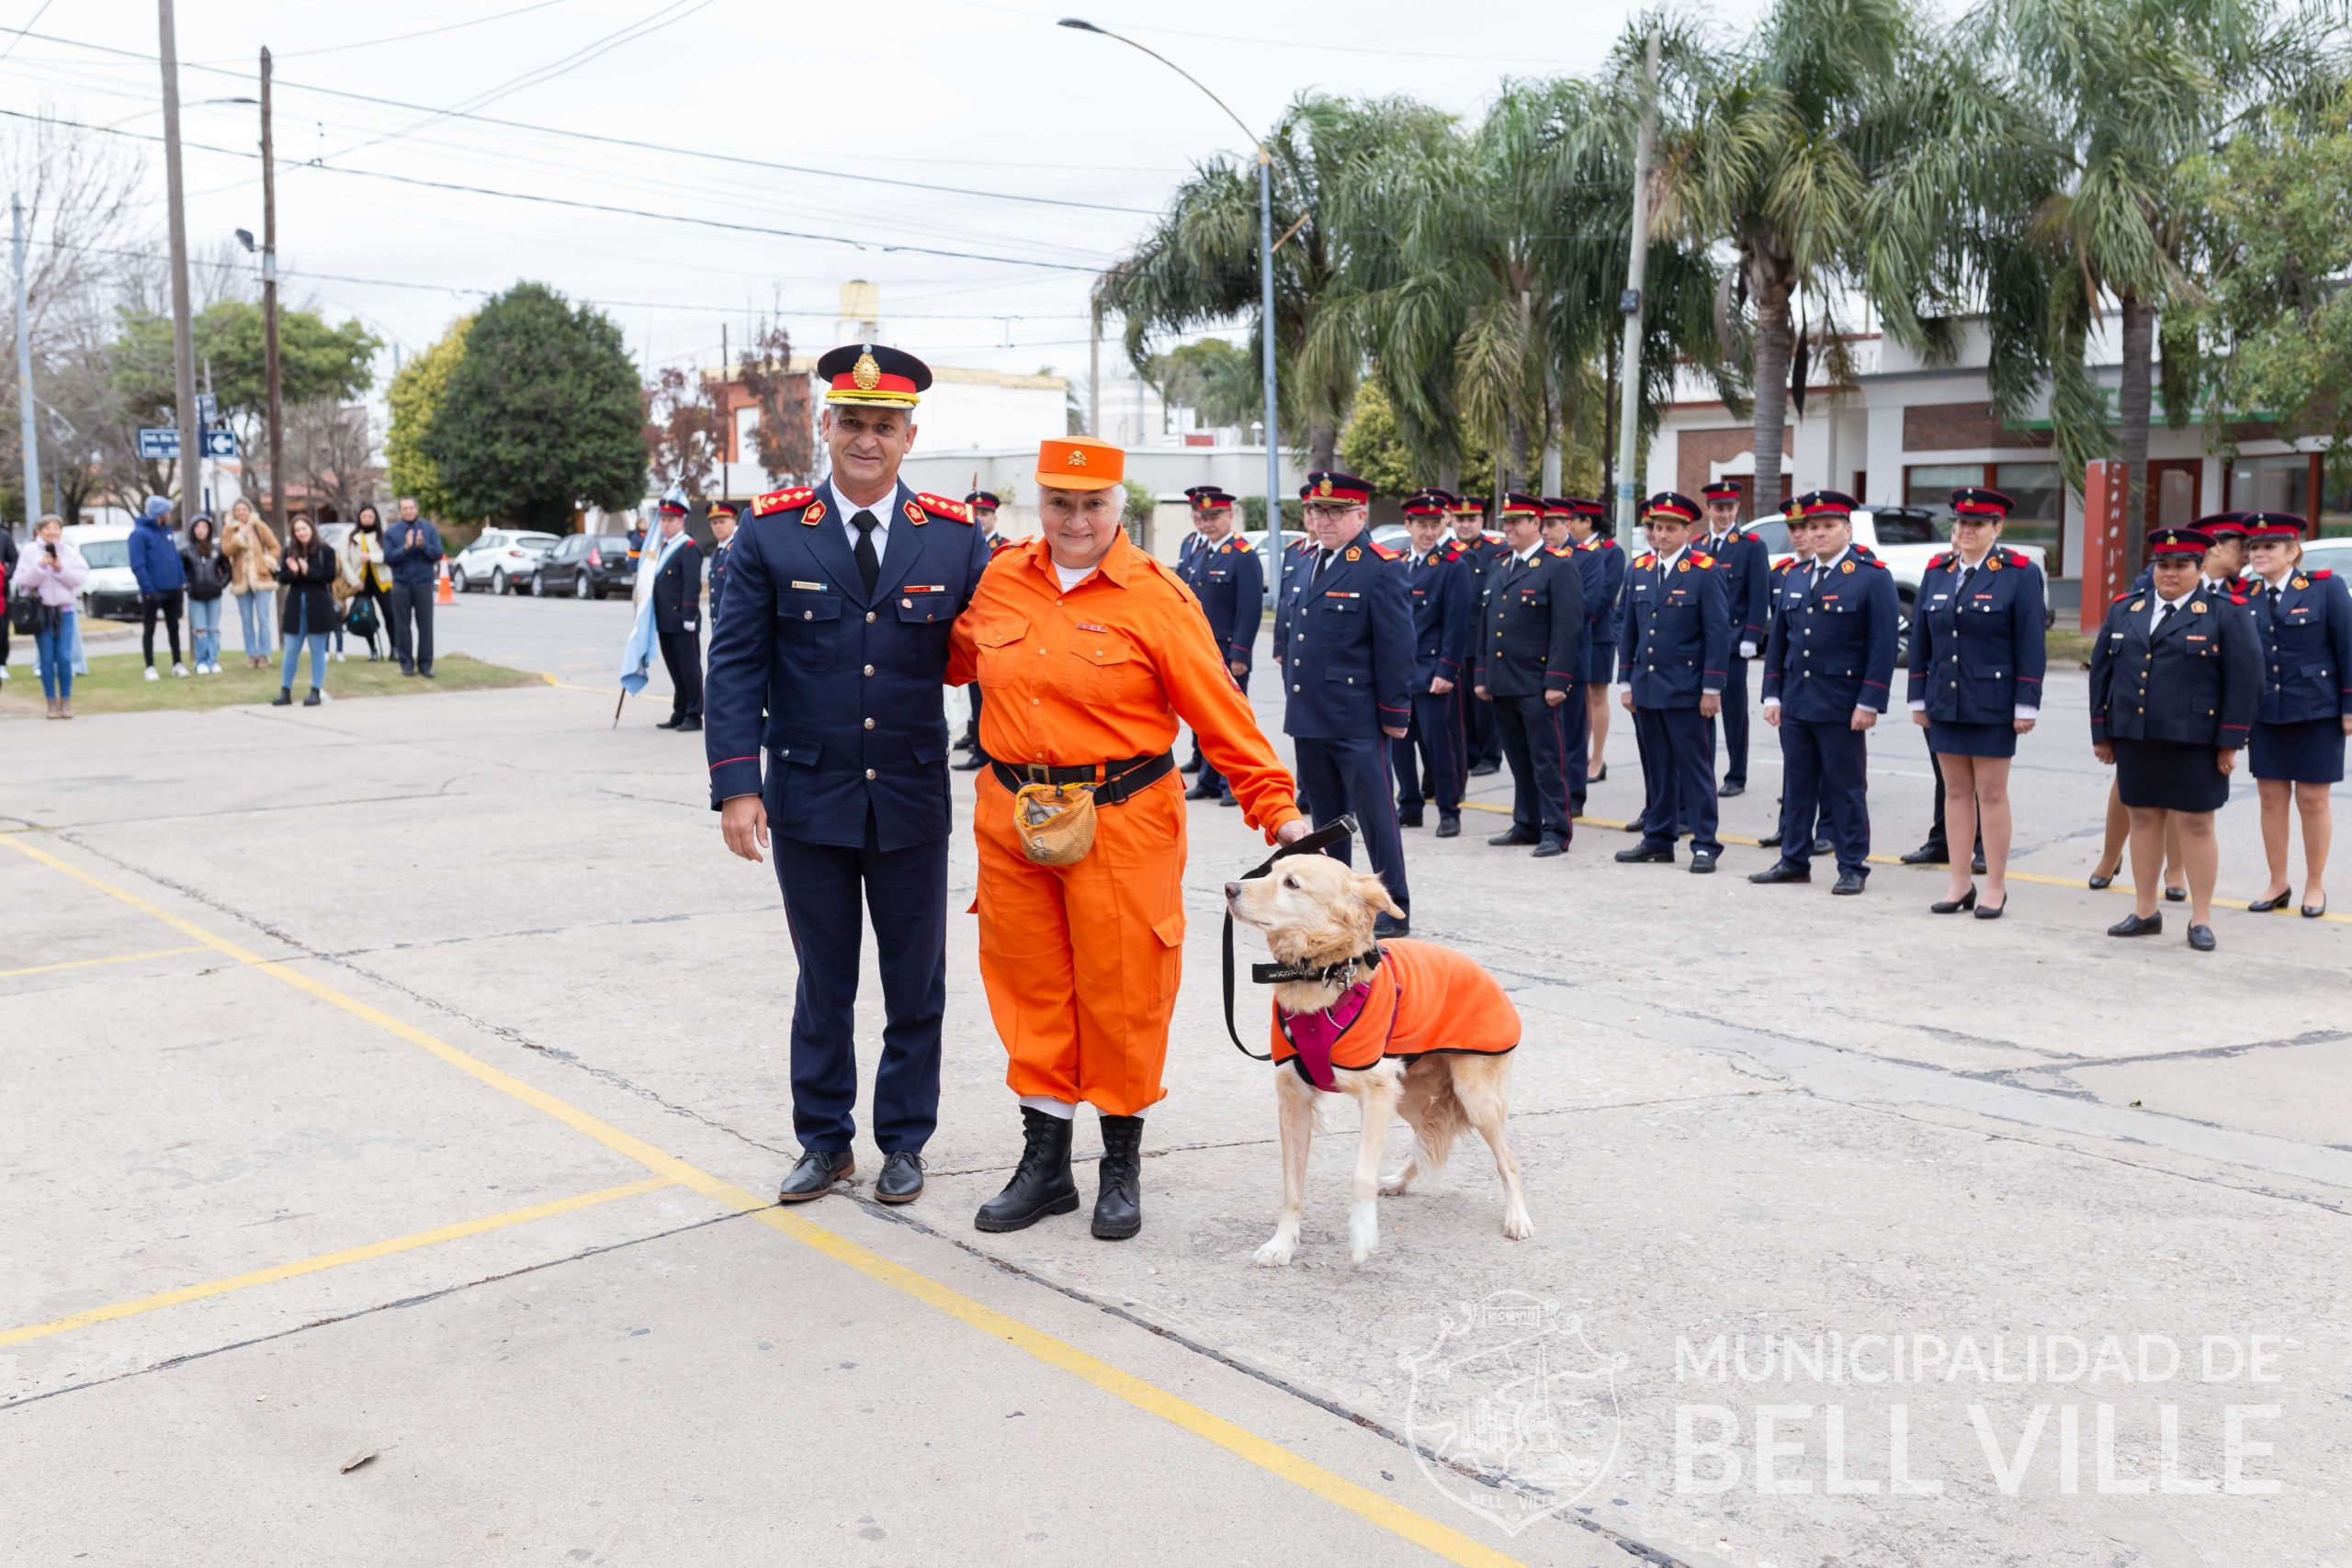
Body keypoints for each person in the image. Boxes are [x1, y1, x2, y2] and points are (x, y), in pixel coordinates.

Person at [948, 434, 1307, 1240]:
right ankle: (1046, 1165)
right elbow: (947, 655)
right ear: (1039, 502)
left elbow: (1221, 712)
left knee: (1123, 990)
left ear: (1120, 506)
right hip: (1014, 820)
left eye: (1093, 504)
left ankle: (1120, 1162)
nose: (1075, 519)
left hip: (1122, 819)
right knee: (1030, 986)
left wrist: (1276, 809)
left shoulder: (1157, 596)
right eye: (1060, 503)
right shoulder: (1002, 578)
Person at [707, 344, 991, 1209]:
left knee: (916, 982)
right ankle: (825, 1141)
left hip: (910, 794)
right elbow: (735, 666)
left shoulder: (954, 539)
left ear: (910, 438)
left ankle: (904, 1141)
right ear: (826, 427)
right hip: (808, 795)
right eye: (854, 423)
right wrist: (737, 785)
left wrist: (1022, 772)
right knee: (823, 982)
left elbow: (997, 661)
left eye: (885, 426)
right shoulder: (770, 531)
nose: (868, 440)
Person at [2090, 526, 2261, 951]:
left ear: (2199, 567)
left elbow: (2246, 681)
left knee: (2196, 825)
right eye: (2162, 564)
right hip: (2136, 735)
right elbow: (2102, 673)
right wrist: (2102, 732)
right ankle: (2145, 910)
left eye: (2180, 565)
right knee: (2144, 820)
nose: (2169, 573)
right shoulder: (2127, 608)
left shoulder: (2225, 612)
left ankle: (2201, 918)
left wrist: (2230, 742)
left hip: (2195, 740)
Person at [1281, 469, 1415, 933]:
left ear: (1360, 514)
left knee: (1377, 819)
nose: (1324, 520)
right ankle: (1334, 904)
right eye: (1318, 511)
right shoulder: (1304, 559)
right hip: (1311, 715)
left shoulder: (1380, 566)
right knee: (1327, 822)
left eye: (1335, 512)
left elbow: (1397, 647)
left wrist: (1395, 713)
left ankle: (1392, 908)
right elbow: (1296, 634)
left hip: (1357, 718)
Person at [1905, 487, 2047, 918]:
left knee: (1991, 793)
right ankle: (1959, 881)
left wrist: (2026, 704)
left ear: (1997, 528)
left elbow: (2030, 643)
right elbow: (1921, 640)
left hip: (1992, 702)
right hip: (1945, 698)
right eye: (1961, 522)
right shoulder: (1938, 571)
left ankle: (1995, 886)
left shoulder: (2018, 573)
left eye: (1978, 523)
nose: (1966, 529)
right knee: (1955, 792)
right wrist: (1918, 696)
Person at [1752, 490, 1899, 895]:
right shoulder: (1795, 575)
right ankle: (1793, 860)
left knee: (1846, 788)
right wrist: (1772, 695)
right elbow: (1779, 641)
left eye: (1828, 526)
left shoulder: (1871, 576)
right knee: (1796, 786)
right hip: (1797, 699)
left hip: (1842, 702)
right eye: (1812, 526)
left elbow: (1883, 646)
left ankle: (1852, 866)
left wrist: (1869, 701)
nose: (1818, 533)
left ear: (1847, 530)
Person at [2240, 513, 2351, 918]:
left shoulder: (2325, 588)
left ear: (2292, 552)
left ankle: (2315, 883)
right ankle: (2278, 882)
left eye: (2269, 546)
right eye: (2254, 547)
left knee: (2312, 800)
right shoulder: (2245, 595)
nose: (2259, 553)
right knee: (2271, 799)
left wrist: (2349, 707)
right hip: (2265, 712)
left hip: (2316, 710)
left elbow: (2347, 648)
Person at [1614, 491, 1731, 873]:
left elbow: (1717, 634)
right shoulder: (1640, 569)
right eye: (1656, 528)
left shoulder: (1704, 571)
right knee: (1657, 768)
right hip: (1648, 687)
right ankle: (1658, 838)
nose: (1660, 535)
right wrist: (1626, 681)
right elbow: (1629, 630)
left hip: (1686, 689)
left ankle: (1705, 843)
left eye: (1669, 528)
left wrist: (1712, 688)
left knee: (1695, 769)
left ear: (1687, 531)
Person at [1474, 491, 1584, 857]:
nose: (1508, 528)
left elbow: (1567, 628)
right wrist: (1482, 674)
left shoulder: (1557, 566)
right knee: (1518, 759)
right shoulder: (1500, 565)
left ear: (1536, 523)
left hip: (1537, 683)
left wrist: (1557, 679)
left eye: (1516, 522)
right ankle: (1526, 822)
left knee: (1547, 759)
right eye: (1505, 522)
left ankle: (1556, 828)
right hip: (1503, 681)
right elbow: (1487, 625)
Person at [1392, 491, 1473, 837]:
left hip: (1432, 671)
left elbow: (1457, 624)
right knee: (1399, 744)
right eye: (1422, 525)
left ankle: (1448, 809)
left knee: (1441, 746)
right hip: (1399, 673)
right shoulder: (1397, 562)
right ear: (1408, 525)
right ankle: (1410, 805)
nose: (1429, 532)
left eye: (1434, 525)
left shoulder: (1453, 565)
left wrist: (1447, 669)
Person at [1177, 487, 1260, 807]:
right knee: (1204, 717)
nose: (1208, 522)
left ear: (1230, 516)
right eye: (1204, 516)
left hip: (1227, 652)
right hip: (1200, 649)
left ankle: (1232, 783)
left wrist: (1241, 653)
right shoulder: (1201, 551)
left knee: (1230, 721)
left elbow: (1250, 610)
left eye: (1215, 516)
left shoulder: (1242, 554)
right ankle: (1209, 780)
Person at [1695, 481, 1770, 796]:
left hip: (1734, 641)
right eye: (1719, 508)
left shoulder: (1751, 545)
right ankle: (1704, 771)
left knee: (1734, 711)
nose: (1724, 514)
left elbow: (1759, 594)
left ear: (1737, 509)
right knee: (1701, 709)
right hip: (1700, 644)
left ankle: (1736, 775)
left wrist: (1752, 636)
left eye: (1730, 508)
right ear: (1708, 510)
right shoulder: (1698, 546)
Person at [1541, 499, 1605, 817]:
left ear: (1568, 525)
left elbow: (1587, 605)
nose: (1546, 531)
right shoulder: (1538, 558)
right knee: (1545, 739)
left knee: (1572, 736)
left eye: (1552, 525)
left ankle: (1573, 798)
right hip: (1537, 659)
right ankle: (1548, 799)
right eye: (1542, 525)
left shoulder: (1587, 558)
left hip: (1572, 660)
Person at [1560, 498, 1623, 784]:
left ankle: (1597, 759)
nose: (1568, 525)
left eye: (1572, 520)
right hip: (1576, 633)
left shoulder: (1610, 551)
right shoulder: (1570, 551)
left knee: (1597, 696)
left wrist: (1580, 622)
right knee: (1580, 696)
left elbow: (1604, 594)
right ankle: (1579, 756)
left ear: (1588, 522)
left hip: (1598, 634)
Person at [952, 490, 1014, 771]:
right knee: (971, 694)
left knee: (989, 695)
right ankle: (976, 740)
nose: (980, 518)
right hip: (968, 630)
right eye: (975, 513)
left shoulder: (1007, 548)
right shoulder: (958, 546)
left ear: (995, 517)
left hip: (996, 632)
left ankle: (985, 749)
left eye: (985, 513)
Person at [1450, 496, 1510, 775]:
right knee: (1461, 704)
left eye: (1471, 519)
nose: (1465, 524)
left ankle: (1490, 755)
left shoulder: (1495, 551)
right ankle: (1470, 753)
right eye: (1460, 519)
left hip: (1483, 639)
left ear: (1481, 521)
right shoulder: (1448, 552)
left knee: (1484, 702)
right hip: (1456, 640)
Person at [20, 515, 86, 718]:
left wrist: (60, 569)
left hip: (64, 611)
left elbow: (80, 578)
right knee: (46, 658)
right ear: (38, 531)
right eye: (47, 528)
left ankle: (65, 701)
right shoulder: (30, 551)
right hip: (41, 612)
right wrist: (41, 567)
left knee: (64, 657)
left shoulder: (69, 552)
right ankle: (51, 701)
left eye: (56, 528)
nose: (52, 531)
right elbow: (23, 580)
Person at [650, 498, 705, 732]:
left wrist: (689, 616)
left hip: (683, 620)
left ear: (681, 521)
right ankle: (680, 710)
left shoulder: (688, 547)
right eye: (663, 520)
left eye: (670, 520)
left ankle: (694, 714)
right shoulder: (662, 547)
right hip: (665, 620)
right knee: (675, 668)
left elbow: (692, 585)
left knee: (689, 669)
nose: (665, 524)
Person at [274, 514, 337, 707]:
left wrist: (307, 571)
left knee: (317, 650)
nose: (301, 533)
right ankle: (285, 691)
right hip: (295, 607)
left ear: (311, 529)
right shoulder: (289, 552)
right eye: (297, 530)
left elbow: (329, 576)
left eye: (304, 528)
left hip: (318, 607)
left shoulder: (326, 551)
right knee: (290, 651)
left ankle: (315, 690)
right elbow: (282, 578)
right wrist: (293, 571)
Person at [129, 494, 188, 680]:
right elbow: (138, 565)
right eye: (167, 511)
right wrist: (149, 589)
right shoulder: (139, 534)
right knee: (150, 629)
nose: (170, 514)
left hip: (173, 589)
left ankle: (177, 663)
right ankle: (150, 667)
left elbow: (175, 558)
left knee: (174, 627)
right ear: (159, 514)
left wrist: (181, 581)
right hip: (154, 591)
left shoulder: (167, 532)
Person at [384, 497, 444, 677]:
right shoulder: (392, 532)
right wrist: (406, 548)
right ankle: (406, 664)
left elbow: (438, 553)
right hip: (401, 583)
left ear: (416, 509)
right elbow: (388, 558)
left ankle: (425, 664)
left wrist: (422, 546)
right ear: (400, 511)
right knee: (402, 625)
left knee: (425, 625)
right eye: (405, 508)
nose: (408, 511)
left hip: (423, 583)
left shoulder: (428, 529)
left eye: (411, 507)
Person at [220, 499, 279, 670]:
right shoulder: (229, 529)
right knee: (246, 620)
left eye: (244, 509)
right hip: (241, 580)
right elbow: (226, 551)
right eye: (238, 509)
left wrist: (267, 561)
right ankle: (251, 654)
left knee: (263, 618)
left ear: (249, 510)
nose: (241, 512)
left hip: (262, 578)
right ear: (234, 512)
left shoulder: (259, 526)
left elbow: (275, 547)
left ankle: (264, 654)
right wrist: (240, 537)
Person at [179, 514, 229, 675]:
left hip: (214, 595)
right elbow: (181, 572)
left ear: (209, 529)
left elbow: (227, 570)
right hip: (196, 596)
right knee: (200, 629)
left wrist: (221, 584)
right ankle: (201, 661)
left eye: (204, 527)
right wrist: (187, 586)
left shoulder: (216, 549)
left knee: (213, 629)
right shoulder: (187, 551)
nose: (200, 530)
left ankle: (212, 660)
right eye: (197, 527)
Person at [705, 500, 740, 630]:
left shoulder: (739, 547)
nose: (718, 526)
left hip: (735, 622)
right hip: (719, 621)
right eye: (714, 523)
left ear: (734, 521)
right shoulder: (718, 551)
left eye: (722, 521)